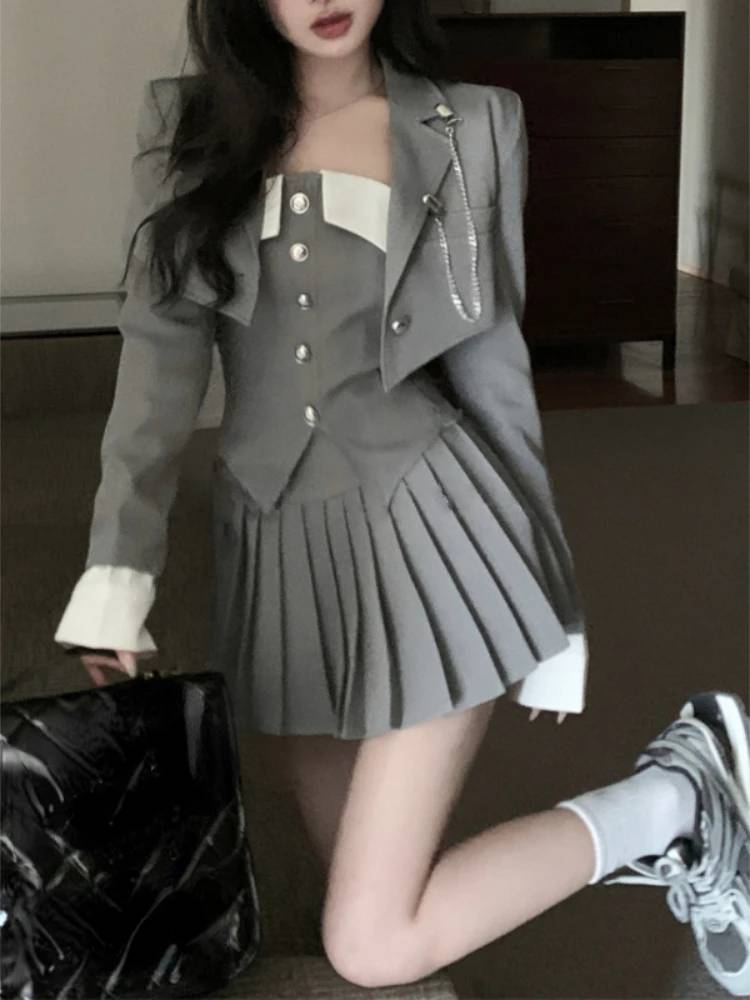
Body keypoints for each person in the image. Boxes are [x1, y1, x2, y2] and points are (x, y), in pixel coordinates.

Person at [53, 1, 750, 994]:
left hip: (435, 530)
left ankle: (679, 793)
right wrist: (119, 567)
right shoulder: (189, 127)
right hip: (277, 553)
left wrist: (556, 599)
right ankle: (681, 815)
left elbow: (492, 367)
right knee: (364, 891)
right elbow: (156, 366)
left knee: (371, 942)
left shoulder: (472, 124)